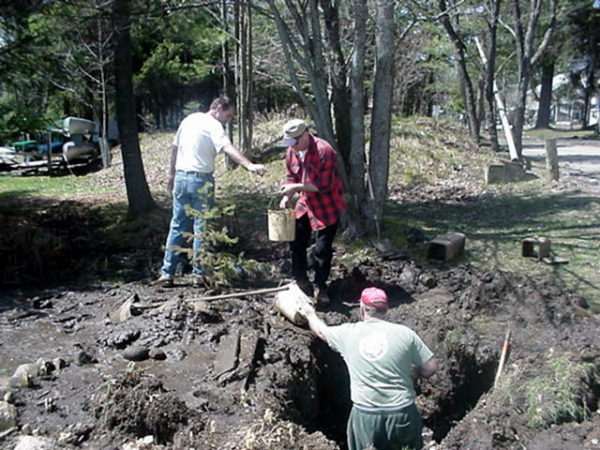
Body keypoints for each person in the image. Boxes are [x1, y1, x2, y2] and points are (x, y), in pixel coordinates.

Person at [300, 287, 438, 450]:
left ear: (362, 310)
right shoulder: (405, 334)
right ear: (385, 309)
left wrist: (309, 314)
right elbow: (431, 367)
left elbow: (321, 332)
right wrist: (413, 373)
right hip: (402, 413)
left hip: (366, 415)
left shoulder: (347, 333)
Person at [154, 96, 265, 287]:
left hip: (181, 178)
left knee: (177, 225)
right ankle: (199, 273)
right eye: (228, 115)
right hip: (200, 181)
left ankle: (167, 272)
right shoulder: (214, 125)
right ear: (219, 109)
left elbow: (175, 149)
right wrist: (249, 165)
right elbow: (227, 147)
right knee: (202, 227)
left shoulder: (189, 120)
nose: (228, 120)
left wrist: (171, 175)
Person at [279, 119, 345, 303]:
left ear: (306, 134)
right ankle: (300, 280)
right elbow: (290, 175)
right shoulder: (291, 151)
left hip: (326, 205)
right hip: (304, 203)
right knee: (296, 244)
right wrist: (287, 196)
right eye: (289, 143)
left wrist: (296, 187)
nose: (292, 146)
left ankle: (320, 286)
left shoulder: (325, 151)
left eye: (295, 142)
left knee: (322, 250)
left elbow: (323, 185)